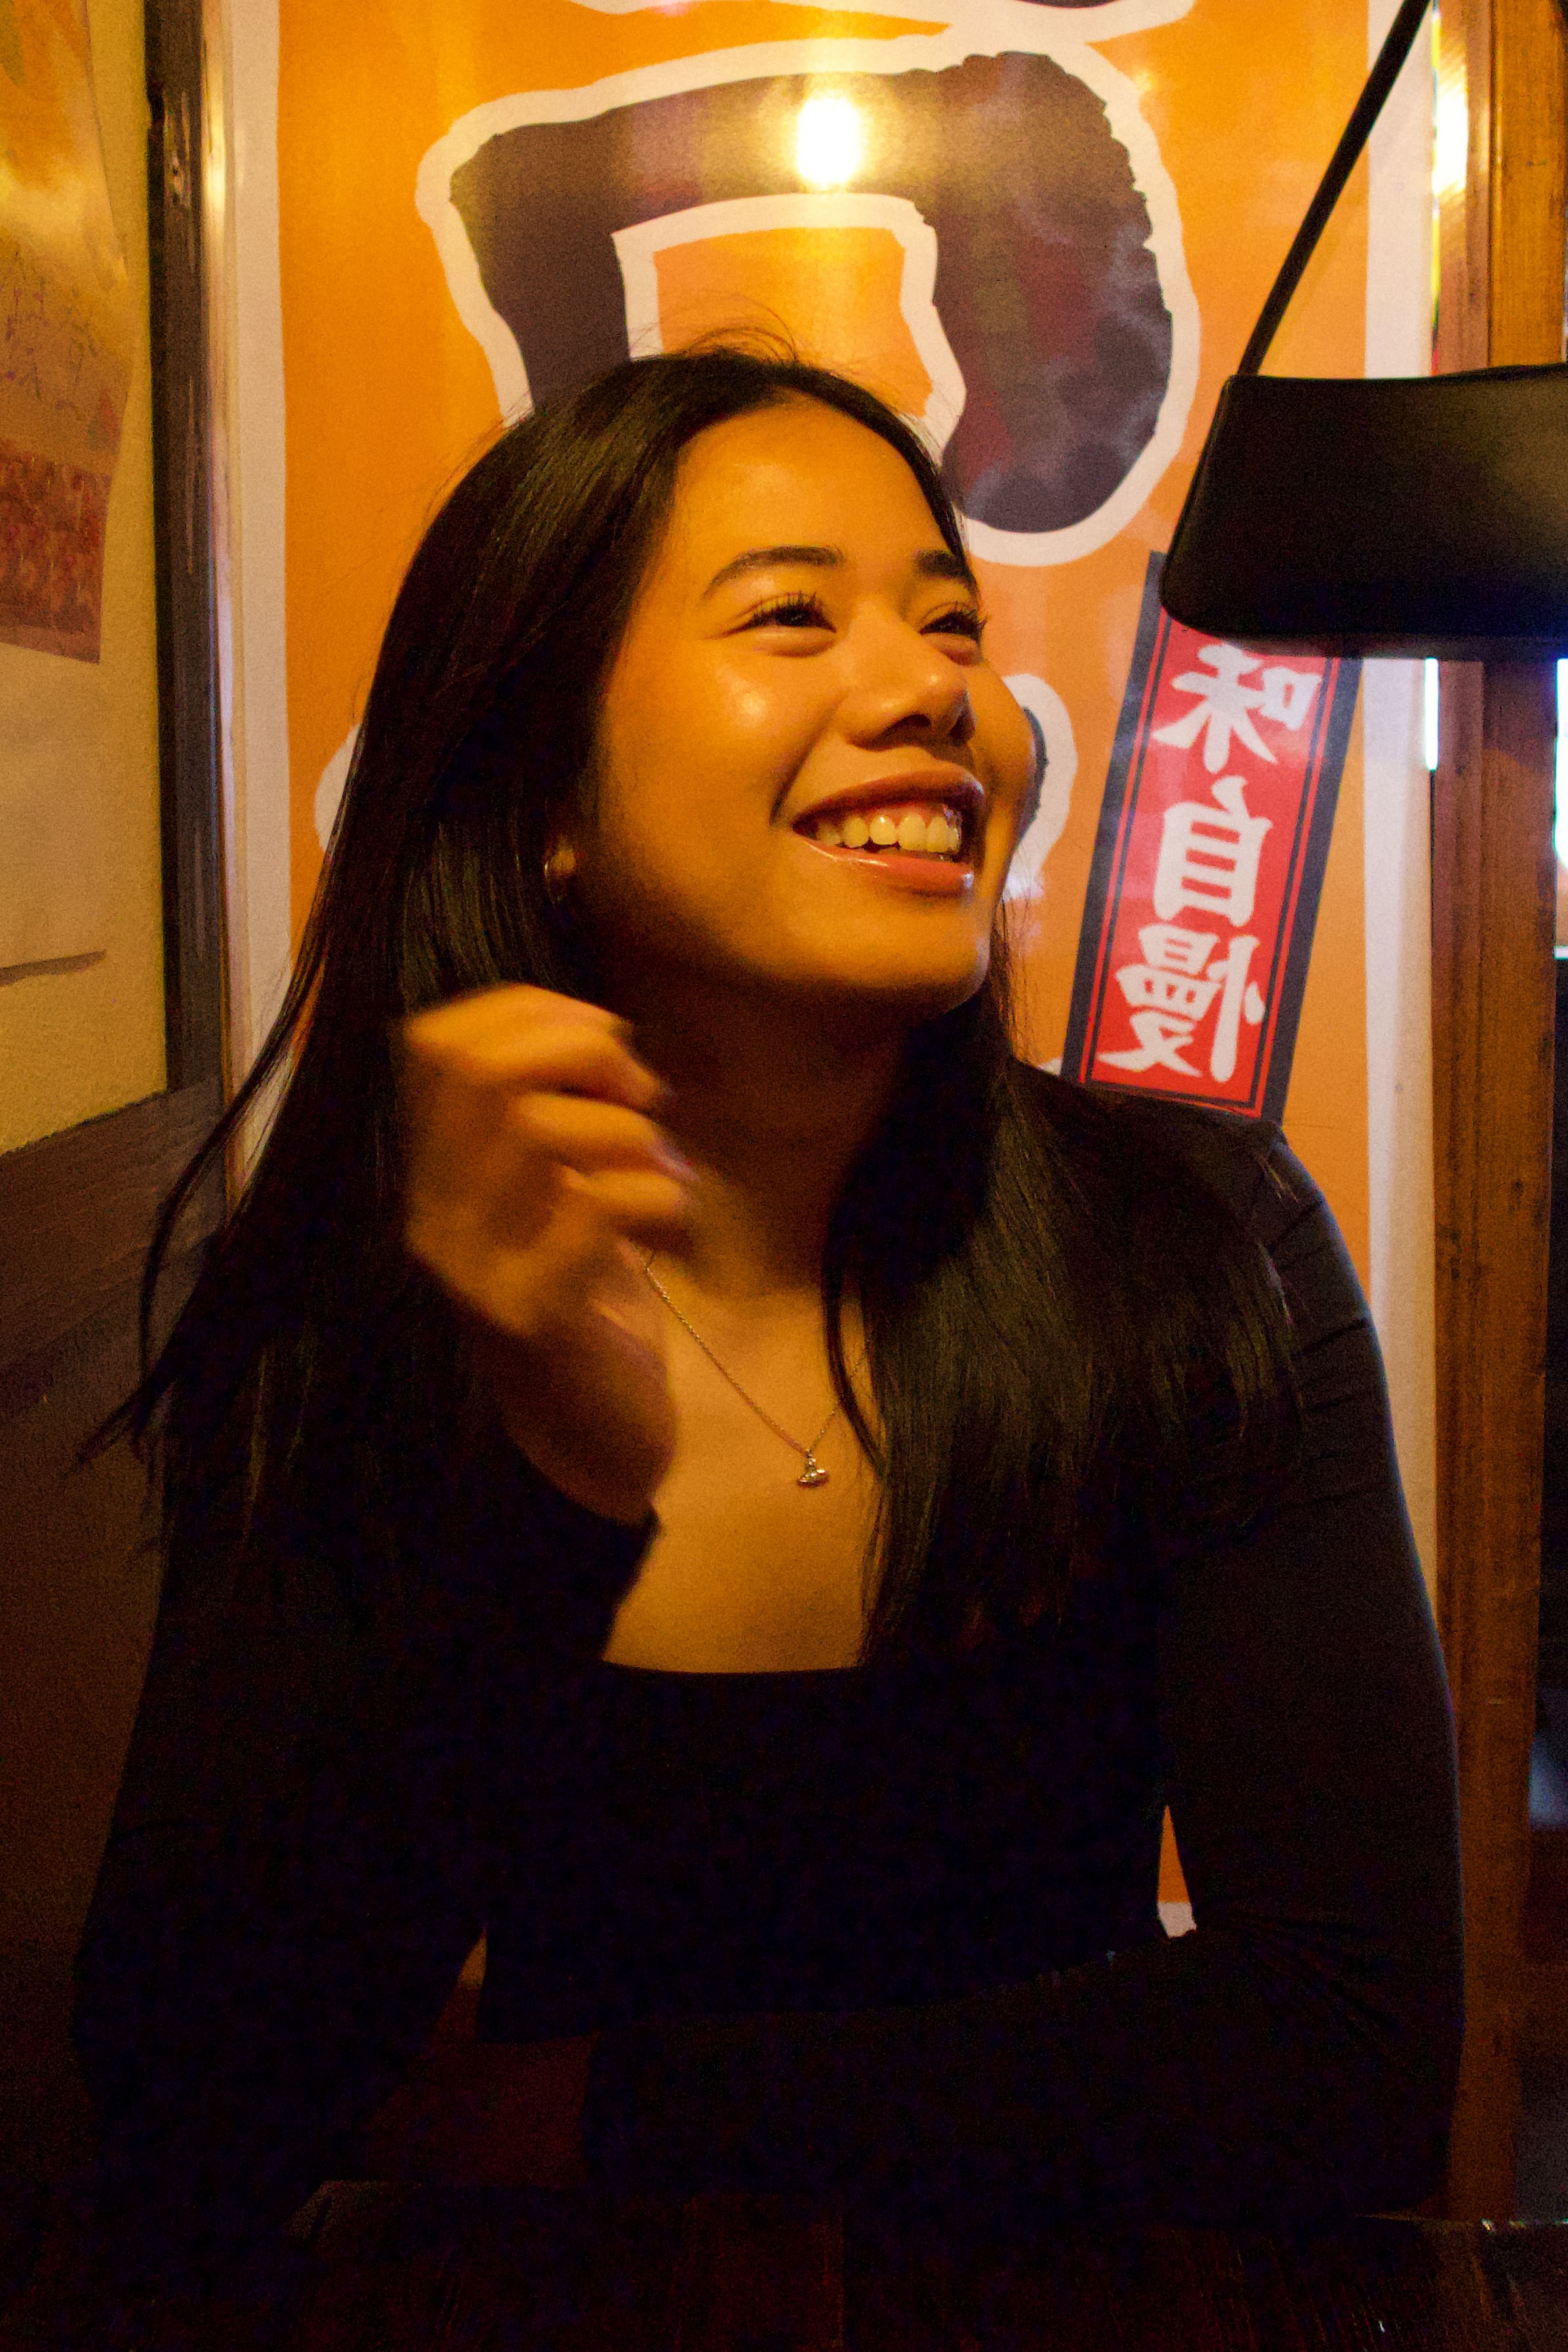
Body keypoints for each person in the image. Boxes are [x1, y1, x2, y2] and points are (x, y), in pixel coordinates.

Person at [73, 346, 1464, 2273]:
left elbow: (1347, 2053)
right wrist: (540, 1484)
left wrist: (564, 2103)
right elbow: (195, 2102)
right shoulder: (365, 1311)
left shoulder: (1196, 1243)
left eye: (947, 625)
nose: (935, 693)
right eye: (791, 617)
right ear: (541, 787)